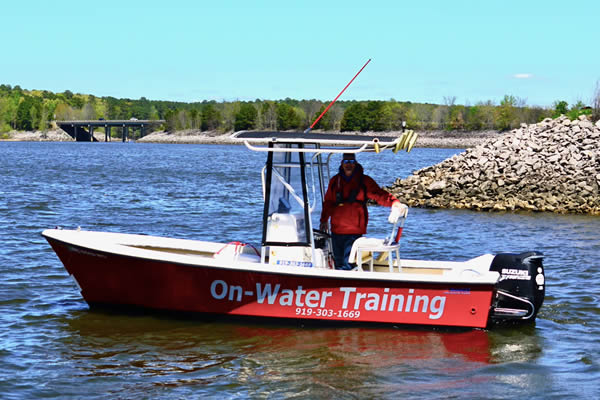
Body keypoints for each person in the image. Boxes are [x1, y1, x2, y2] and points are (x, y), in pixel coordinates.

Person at [319, 153, 407, 270]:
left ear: (355, 163)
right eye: (346, 162)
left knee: (348, 263)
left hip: (354, 231)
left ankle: (348, 285)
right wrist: (324, 220)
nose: (348, 165)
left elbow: (379, 195)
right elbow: (328, 202)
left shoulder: (364, 181)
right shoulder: (335, 181)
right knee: (338, 262)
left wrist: (394, 202)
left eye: (351, 162)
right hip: (337, 230)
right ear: (341, 164)